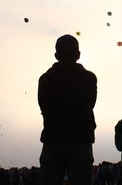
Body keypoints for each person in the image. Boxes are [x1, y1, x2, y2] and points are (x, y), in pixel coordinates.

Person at [38, 34, 97, 185]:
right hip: (81, 140)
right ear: (78, 55)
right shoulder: (89, 78)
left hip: (53, 139)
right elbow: (91, 103)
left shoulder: (45, 79)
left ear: (56, 55)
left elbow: (42, 106)